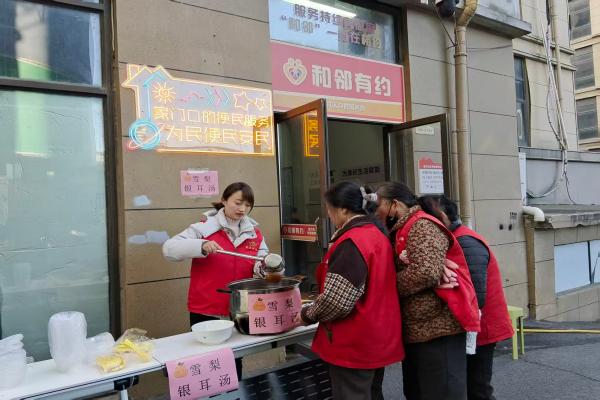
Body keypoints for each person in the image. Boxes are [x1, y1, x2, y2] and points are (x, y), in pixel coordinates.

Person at [296, 182, 404, 400]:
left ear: (343, 209)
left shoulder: (352, 241)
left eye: (329, 209)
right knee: (372, 393)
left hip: (355, 341)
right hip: (377, 335)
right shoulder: (376, 233)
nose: (329, 215)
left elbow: (337, 301)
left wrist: (307, 314)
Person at [375, 182, 480, 400]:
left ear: (395, 204)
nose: (377, 211)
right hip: (420, 329)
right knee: (420, 391)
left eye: (380, 205)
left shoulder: (421, 225)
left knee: (441, 392)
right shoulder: (404, 227)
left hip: (437, 329)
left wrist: (389, 287)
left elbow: (426, 271)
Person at [420, 195, 513, 400]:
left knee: (477, 389)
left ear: (441, 218)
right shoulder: (455, 239)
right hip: (472, 326)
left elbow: (475, 297)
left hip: (481, 328)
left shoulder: (465, 242)